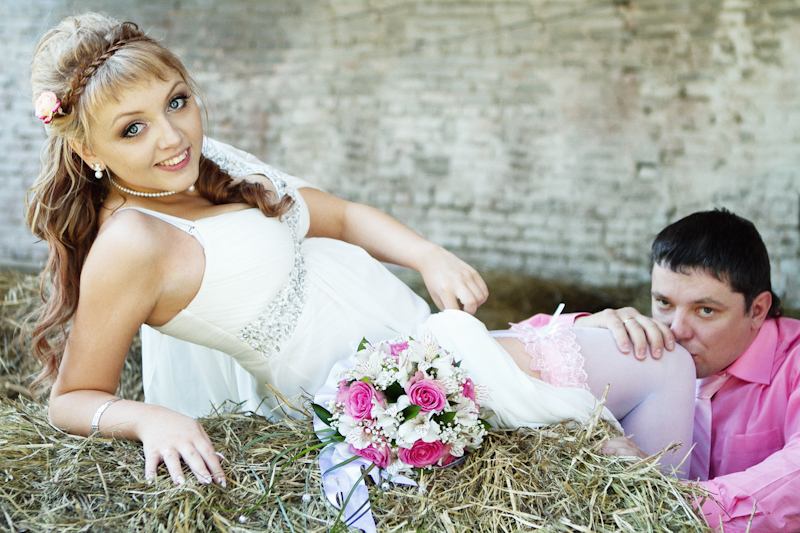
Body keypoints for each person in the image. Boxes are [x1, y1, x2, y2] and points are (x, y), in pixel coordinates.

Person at [26, 12, 695, 492]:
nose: (173, 137)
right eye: (133, 128)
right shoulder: (131, 243)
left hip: (416, 333)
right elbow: (73, 396)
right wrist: (149, 418)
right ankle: (679, 509)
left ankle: (664, 500)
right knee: (665, 366)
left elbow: (341, 216)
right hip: (387, 390)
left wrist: (428, 255)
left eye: (177, 102)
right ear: (85, 147)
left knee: (645, 374)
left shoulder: (202, 164)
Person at [524, 209, 800, 532]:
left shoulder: (794, 363)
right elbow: (505, 349)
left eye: (705, 310)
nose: (677, 329)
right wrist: (581, 328)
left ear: (757, 310)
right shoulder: (643, 344)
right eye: (664, 303)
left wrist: (666, 499)